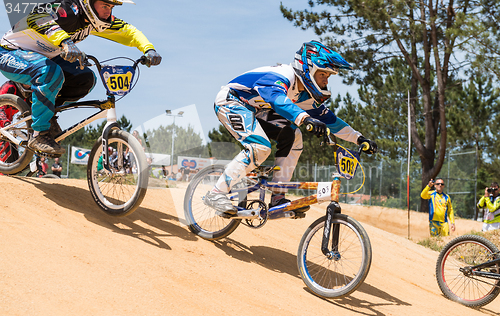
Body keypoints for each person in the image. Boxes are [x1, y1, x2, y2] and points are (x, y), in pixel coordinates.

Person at [204, 40, 377, 216]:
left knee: (294, 136)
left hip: (257, 110)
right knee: (260, 147)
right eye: (323, 74)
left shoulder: (304, 95)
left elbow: (331, 121)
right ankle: (216, 193)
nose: (326, 80)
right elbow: (277, 100)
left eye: (328, 76)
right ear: (308, 69)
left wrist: (359, 138)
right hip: (232, 101)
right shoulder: (283, 75)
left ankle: (278, 196)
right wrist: (304, 118)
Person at [0, 0, 161, 156]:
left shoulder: (96, 21)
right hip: (11, 51)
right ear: (89, 2)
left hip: (45, 56)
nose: (109, 11)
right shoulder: (66, 8)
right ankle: (39, 134)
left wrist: (148, 49)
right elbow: (36, 16)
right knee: (49, 73)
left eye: (111, 7)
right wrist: (64, 41)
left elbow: (129, 31)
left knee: (86, 79)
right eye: (105, 5)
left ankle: (48, 115)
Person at [0, 80, 31, 162]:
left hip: (7, 122)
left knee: (12, 146)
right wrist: (5, 122)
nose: (29, 84)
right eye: (26, 81)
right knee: (4, 144)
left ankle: (12, 169)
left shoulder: (30, 93)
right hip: (3, 119)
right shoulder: (9, 87)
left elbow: (32, 112)